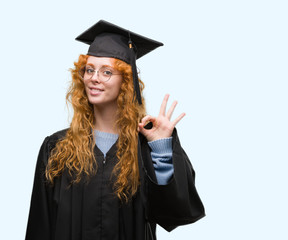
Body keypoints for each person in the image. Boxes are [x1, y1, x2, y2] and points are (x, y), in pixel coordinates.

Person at [25, 20, 205, 240]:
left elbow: (174, 214)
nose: (94, 78)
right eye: (89, 70)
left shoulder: (146, 148)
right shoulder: (56, 148)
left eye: (106, 72)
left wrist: (160, 148)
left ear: (126, 82)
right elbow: (40, 226)